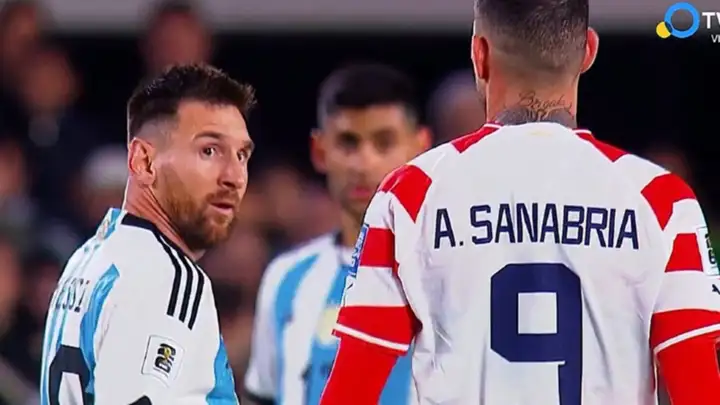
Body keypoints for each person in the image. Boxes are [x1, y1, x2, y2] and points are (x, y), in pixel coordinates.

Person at [320, 0, 720, 404]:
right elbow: (698, 390)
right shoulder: (661, 199)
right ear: (588, 51)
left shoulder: (411, 193)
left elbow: (350, 393)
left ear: (479, 54)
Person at [39, 64, 256, 404]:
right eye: (209, 151)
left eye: (241, 155)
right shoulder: (165, 275)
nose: (235, 176)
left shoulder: (89, 258)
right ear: (143, 161)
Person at [243, 64, 430, 405]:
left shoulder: (446, 273)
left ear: (420, 148)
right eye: (348, 143)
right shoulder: (285, 277)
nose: (364, 163)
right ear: (320, 151)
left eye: (384, 142)